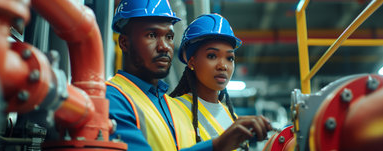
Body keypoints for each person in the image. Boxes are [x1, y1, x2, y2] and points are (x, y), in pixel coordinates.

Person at [106, 0, 271, 150]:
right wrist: (218, 146)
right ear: (124, 43)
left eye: (169, 37)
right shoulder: (111, 98)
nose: (164, 47)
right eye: (152, 35)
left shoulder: (166, 104)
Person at [170, 14, 271, 149]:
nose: (223, 66)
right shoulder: (172, 109)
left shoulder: (231, 117)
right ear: (191, 61)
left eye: (230, 58)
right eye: (212, 56)